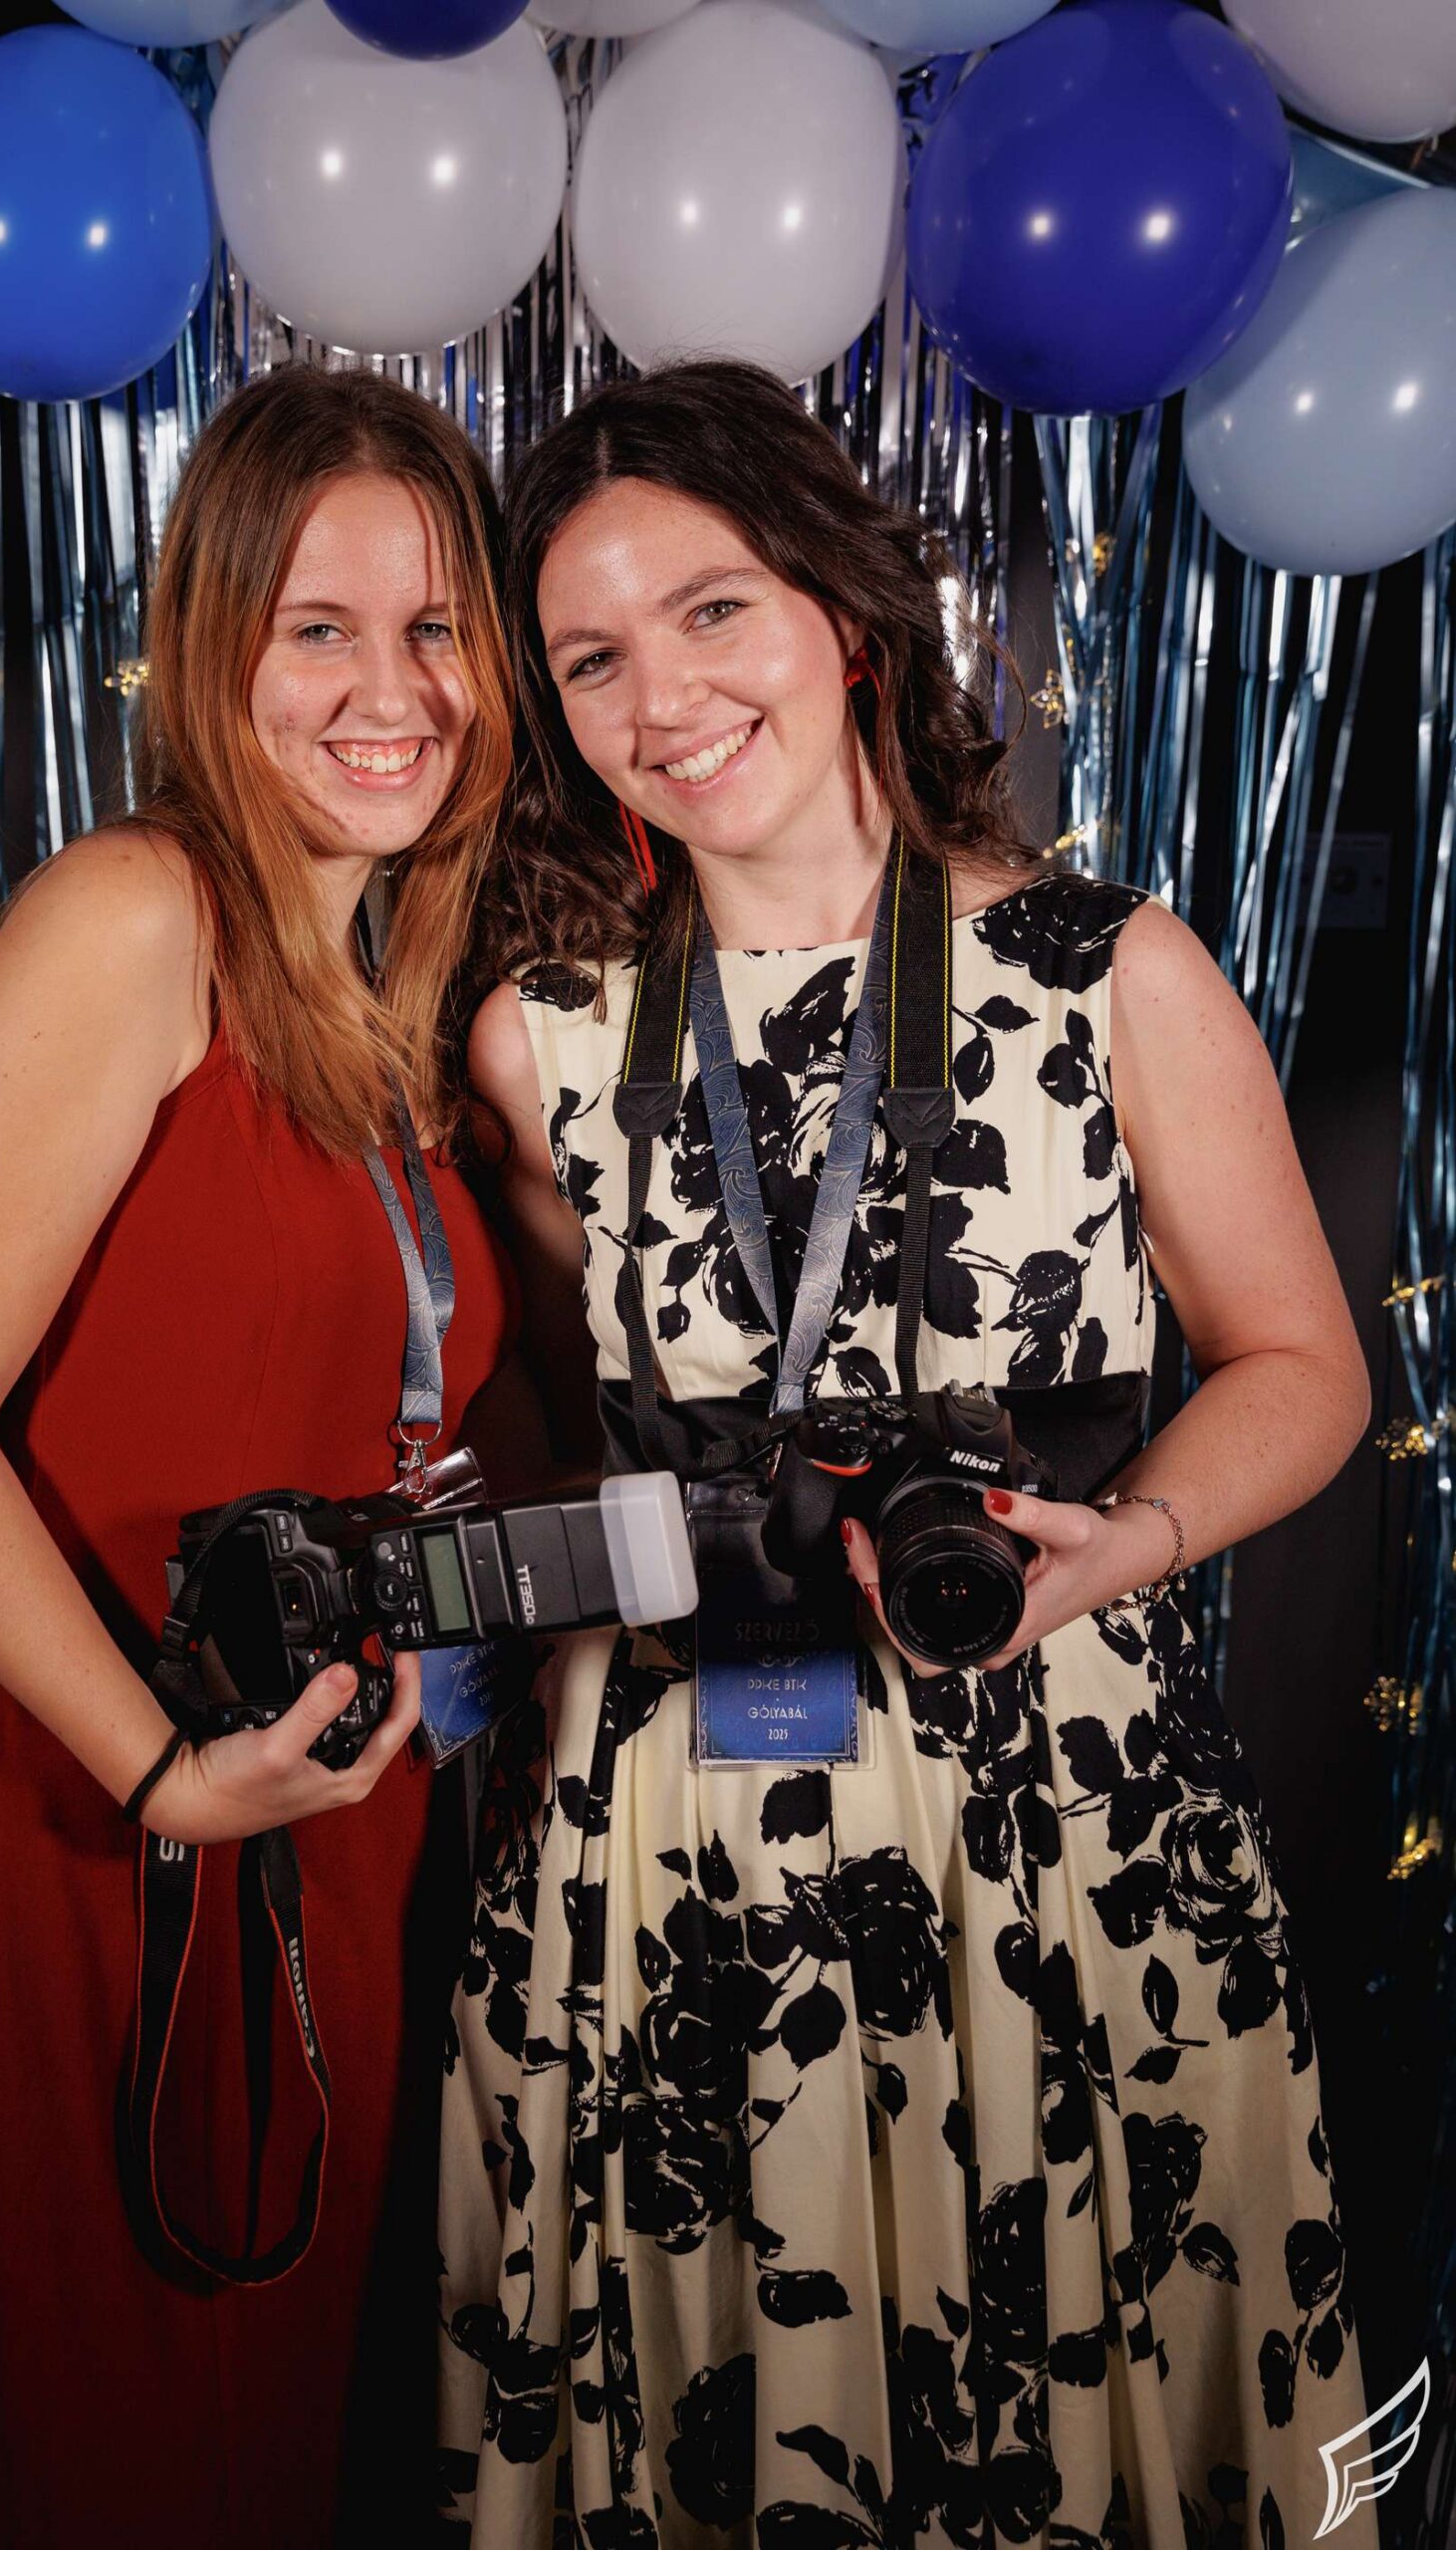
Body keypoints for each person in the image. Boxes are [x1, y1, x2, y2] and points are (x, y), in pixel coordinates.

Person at [437, 359, 1379, 2548]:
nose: (661, 695)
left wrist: (1123, 1540)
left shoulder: (1108, 970)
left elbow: (1302, 1364)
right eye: (590, 655)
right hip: (673, 1829)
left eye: (711, 609)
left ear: (843, 613)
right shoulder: (539, 1033)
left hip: (1055, 1807)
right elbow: (569, 1422)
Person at [0, 363, 518, 2548]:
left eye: (434, 628)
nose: (390, 692)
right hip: (97, 1808)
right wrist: (158, 1777)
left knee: (259, 2449)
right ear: (214, 645)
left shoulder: (385, 998)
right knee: (108, 2451)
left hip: (314, 1819)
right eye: (319, 628)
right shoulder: (138, 913)